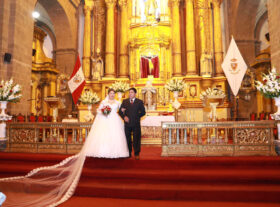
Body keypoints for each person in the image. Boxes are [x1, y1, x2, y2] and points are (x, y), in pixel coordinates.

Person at [0, 89, 129, 207]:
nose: (112, 95)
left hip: (114, 122)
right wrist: (103, 111)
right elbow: (99, 111)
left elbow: (121, 111)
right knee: (102, 137)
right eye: (111, 94)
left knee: (115, 136)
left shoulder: (118, 102)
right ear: (108, 94)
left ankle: (114, 152)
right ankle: (101, 151)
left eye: (113, 94)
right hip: (104, 122)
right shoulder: (104, 101)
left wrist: (119, 112)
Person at [119, 88, 146, 160]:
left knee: (136, 138)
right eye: (129, 92)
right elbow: (120, 111)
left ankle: (137, 153)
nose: (130, 94)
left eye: (131, 92)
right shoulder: (124, 101)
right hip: (127, 124)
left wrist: (136, 117)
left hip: (136, 123)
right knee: (127, 138)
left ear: (135, 94)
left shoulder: (139, 102)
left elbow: (143, 112)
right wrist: (124, 117)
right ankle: (129, 153)